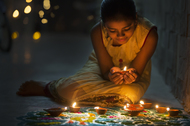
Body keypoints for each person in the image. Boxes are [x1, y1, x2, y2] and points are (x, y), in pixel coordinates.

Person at [17, 0, 158, 107]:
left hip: (134, 80)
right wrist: (110, 74)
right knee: (68, 89)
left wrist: (131, 75)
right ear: (103, 24)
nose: (120, 36)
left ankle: (99, 96)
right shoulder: (97, 32)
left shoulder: (148, 34)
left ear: (135, 18)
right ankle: (48, 86)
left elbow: (137, 72)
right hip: (100, 68)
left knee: (129, 94)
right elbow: (104, 71)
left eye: (127, 28)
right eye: (112, 31)